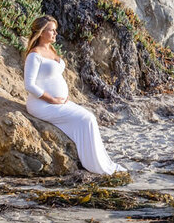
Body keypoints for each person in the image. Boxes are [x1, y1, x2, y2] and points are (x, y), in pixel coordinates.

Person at [23, 15, 127, 175]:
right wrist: (52, 99)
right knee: (86, 119)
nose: (55, 34)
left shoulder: (51, 50)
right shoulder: (34, 55)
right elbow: (29, 85)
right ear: (41, 32)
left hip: (58, 102)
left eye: (55, 30)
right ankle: (94, 166)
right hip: (41, 104)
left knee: (90, 117)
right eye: (51, 30)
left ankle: (105, 163)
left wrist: (62, 96)